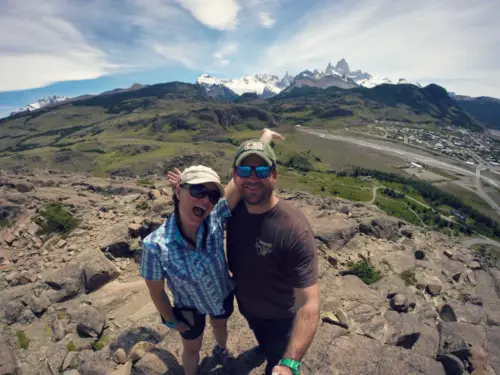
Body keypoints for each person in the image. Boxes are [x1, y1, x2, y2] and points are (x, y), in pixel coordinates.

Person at [141, 129, 284, 375]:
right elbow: (157, 292)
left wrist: (265, 140)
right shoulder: (155, 245)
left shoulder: (215, 216)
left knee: (220, 325)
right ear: (177, 192)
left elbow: (241, 180)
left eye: (212, 195)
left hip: (221, 294)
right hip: (189, 307)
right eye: (197, 191)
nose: (206, 200)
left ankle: (221, 349)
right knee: (192, 349)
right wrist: (171, 320)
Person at [227, 139, 320, 375]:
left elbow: (309, 302)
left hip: (281, 319)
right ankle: (264, 349)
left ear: (274, 175)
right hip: (248, 308)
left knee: (276, 362)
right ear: (235, 175)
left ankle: (273, 359)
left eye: (262, 170)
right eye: (245, 170)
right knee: (263, 340)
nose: (252, 178)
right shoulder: (231, 209)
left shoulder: (293, 228)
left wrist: (290, 364)